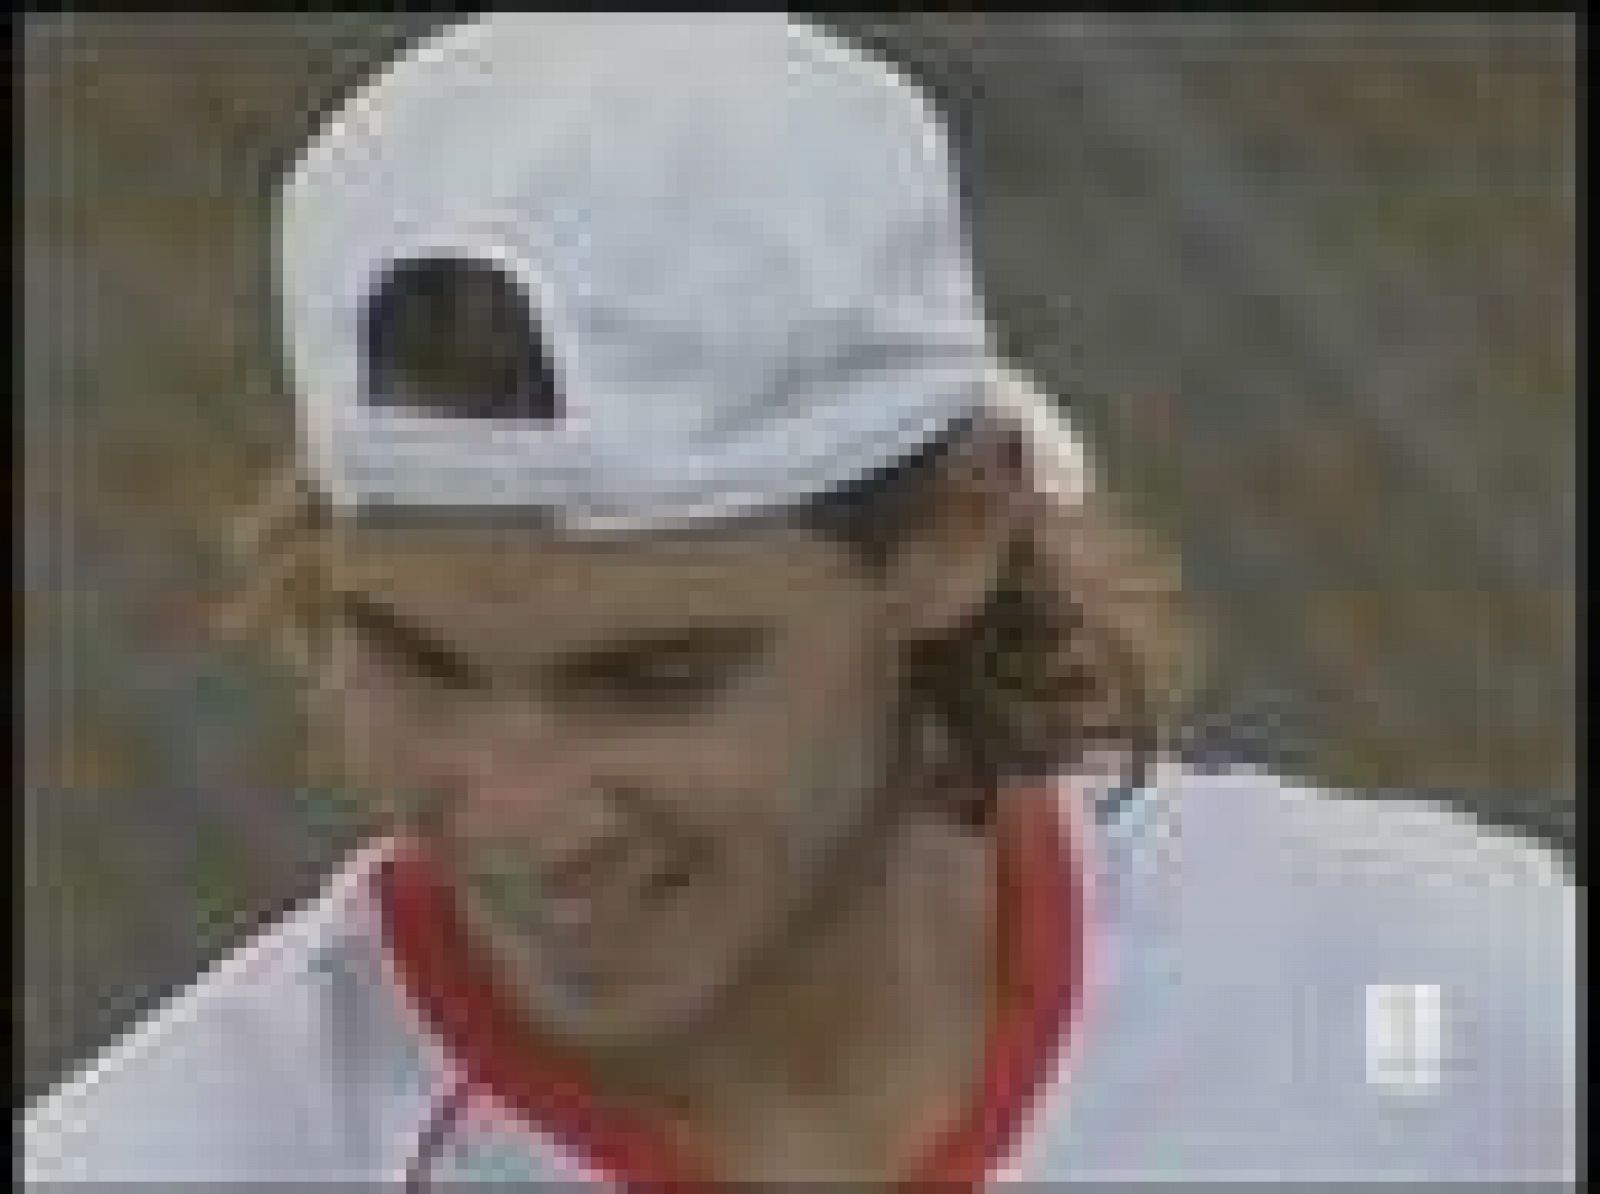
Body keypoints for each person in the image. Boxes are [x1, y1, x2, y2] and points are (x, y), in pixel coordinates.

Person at [23, 14, 1575, 1186]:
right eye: (417, 659)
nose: (523, 812)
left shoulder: (1433, 1007)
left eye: (655, 676)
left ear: (954, 537)